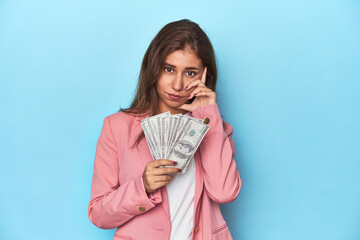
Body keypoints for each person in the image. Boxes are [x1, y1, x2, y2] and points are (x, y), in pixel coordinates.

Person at [88, 19, 241, 240]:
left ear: (204, 76)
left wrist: (208, 116)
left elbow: (224, 192)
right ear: (154, 68)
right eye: (169, 69)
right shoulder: (117, 127)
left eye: (190, 73)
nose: (177, 85)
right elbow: (98, 213)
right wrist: (143, 187)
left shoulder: (216, 128)